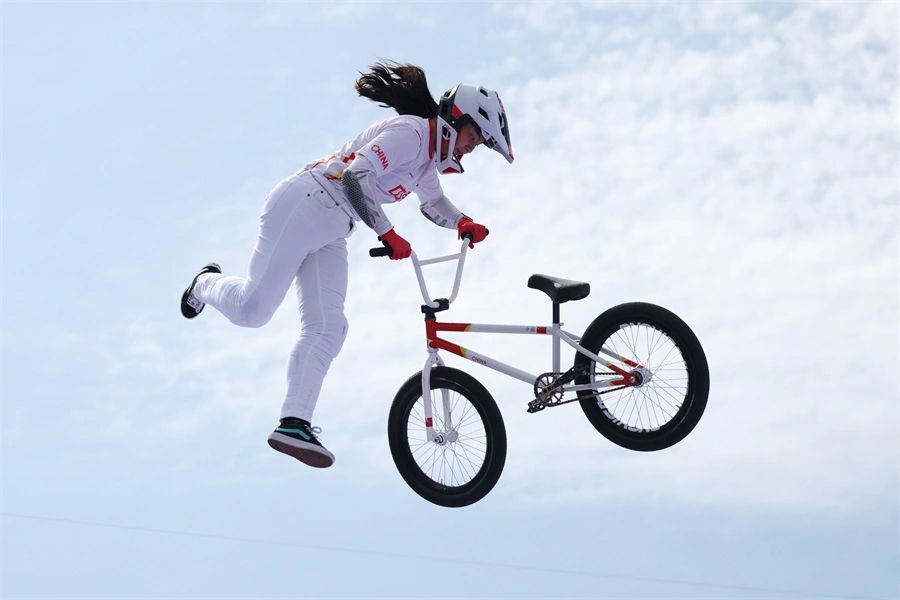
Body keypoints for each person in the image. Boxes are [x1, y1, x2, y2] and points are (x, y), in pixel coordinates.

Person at [179, 61, 513, 468]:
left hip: (335, 226)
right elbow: (355, 177)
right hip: (304, 202)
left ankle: (294, 423)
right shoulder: (411, 134)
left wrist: (461, 221)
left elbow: (433, 202)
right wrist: (387, 231)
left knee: (329, 326)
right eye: (472, 138)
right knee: (254, 311)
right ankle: (204, 283)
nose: (469, 149)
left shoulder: (426, 161)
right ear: (455, 119)